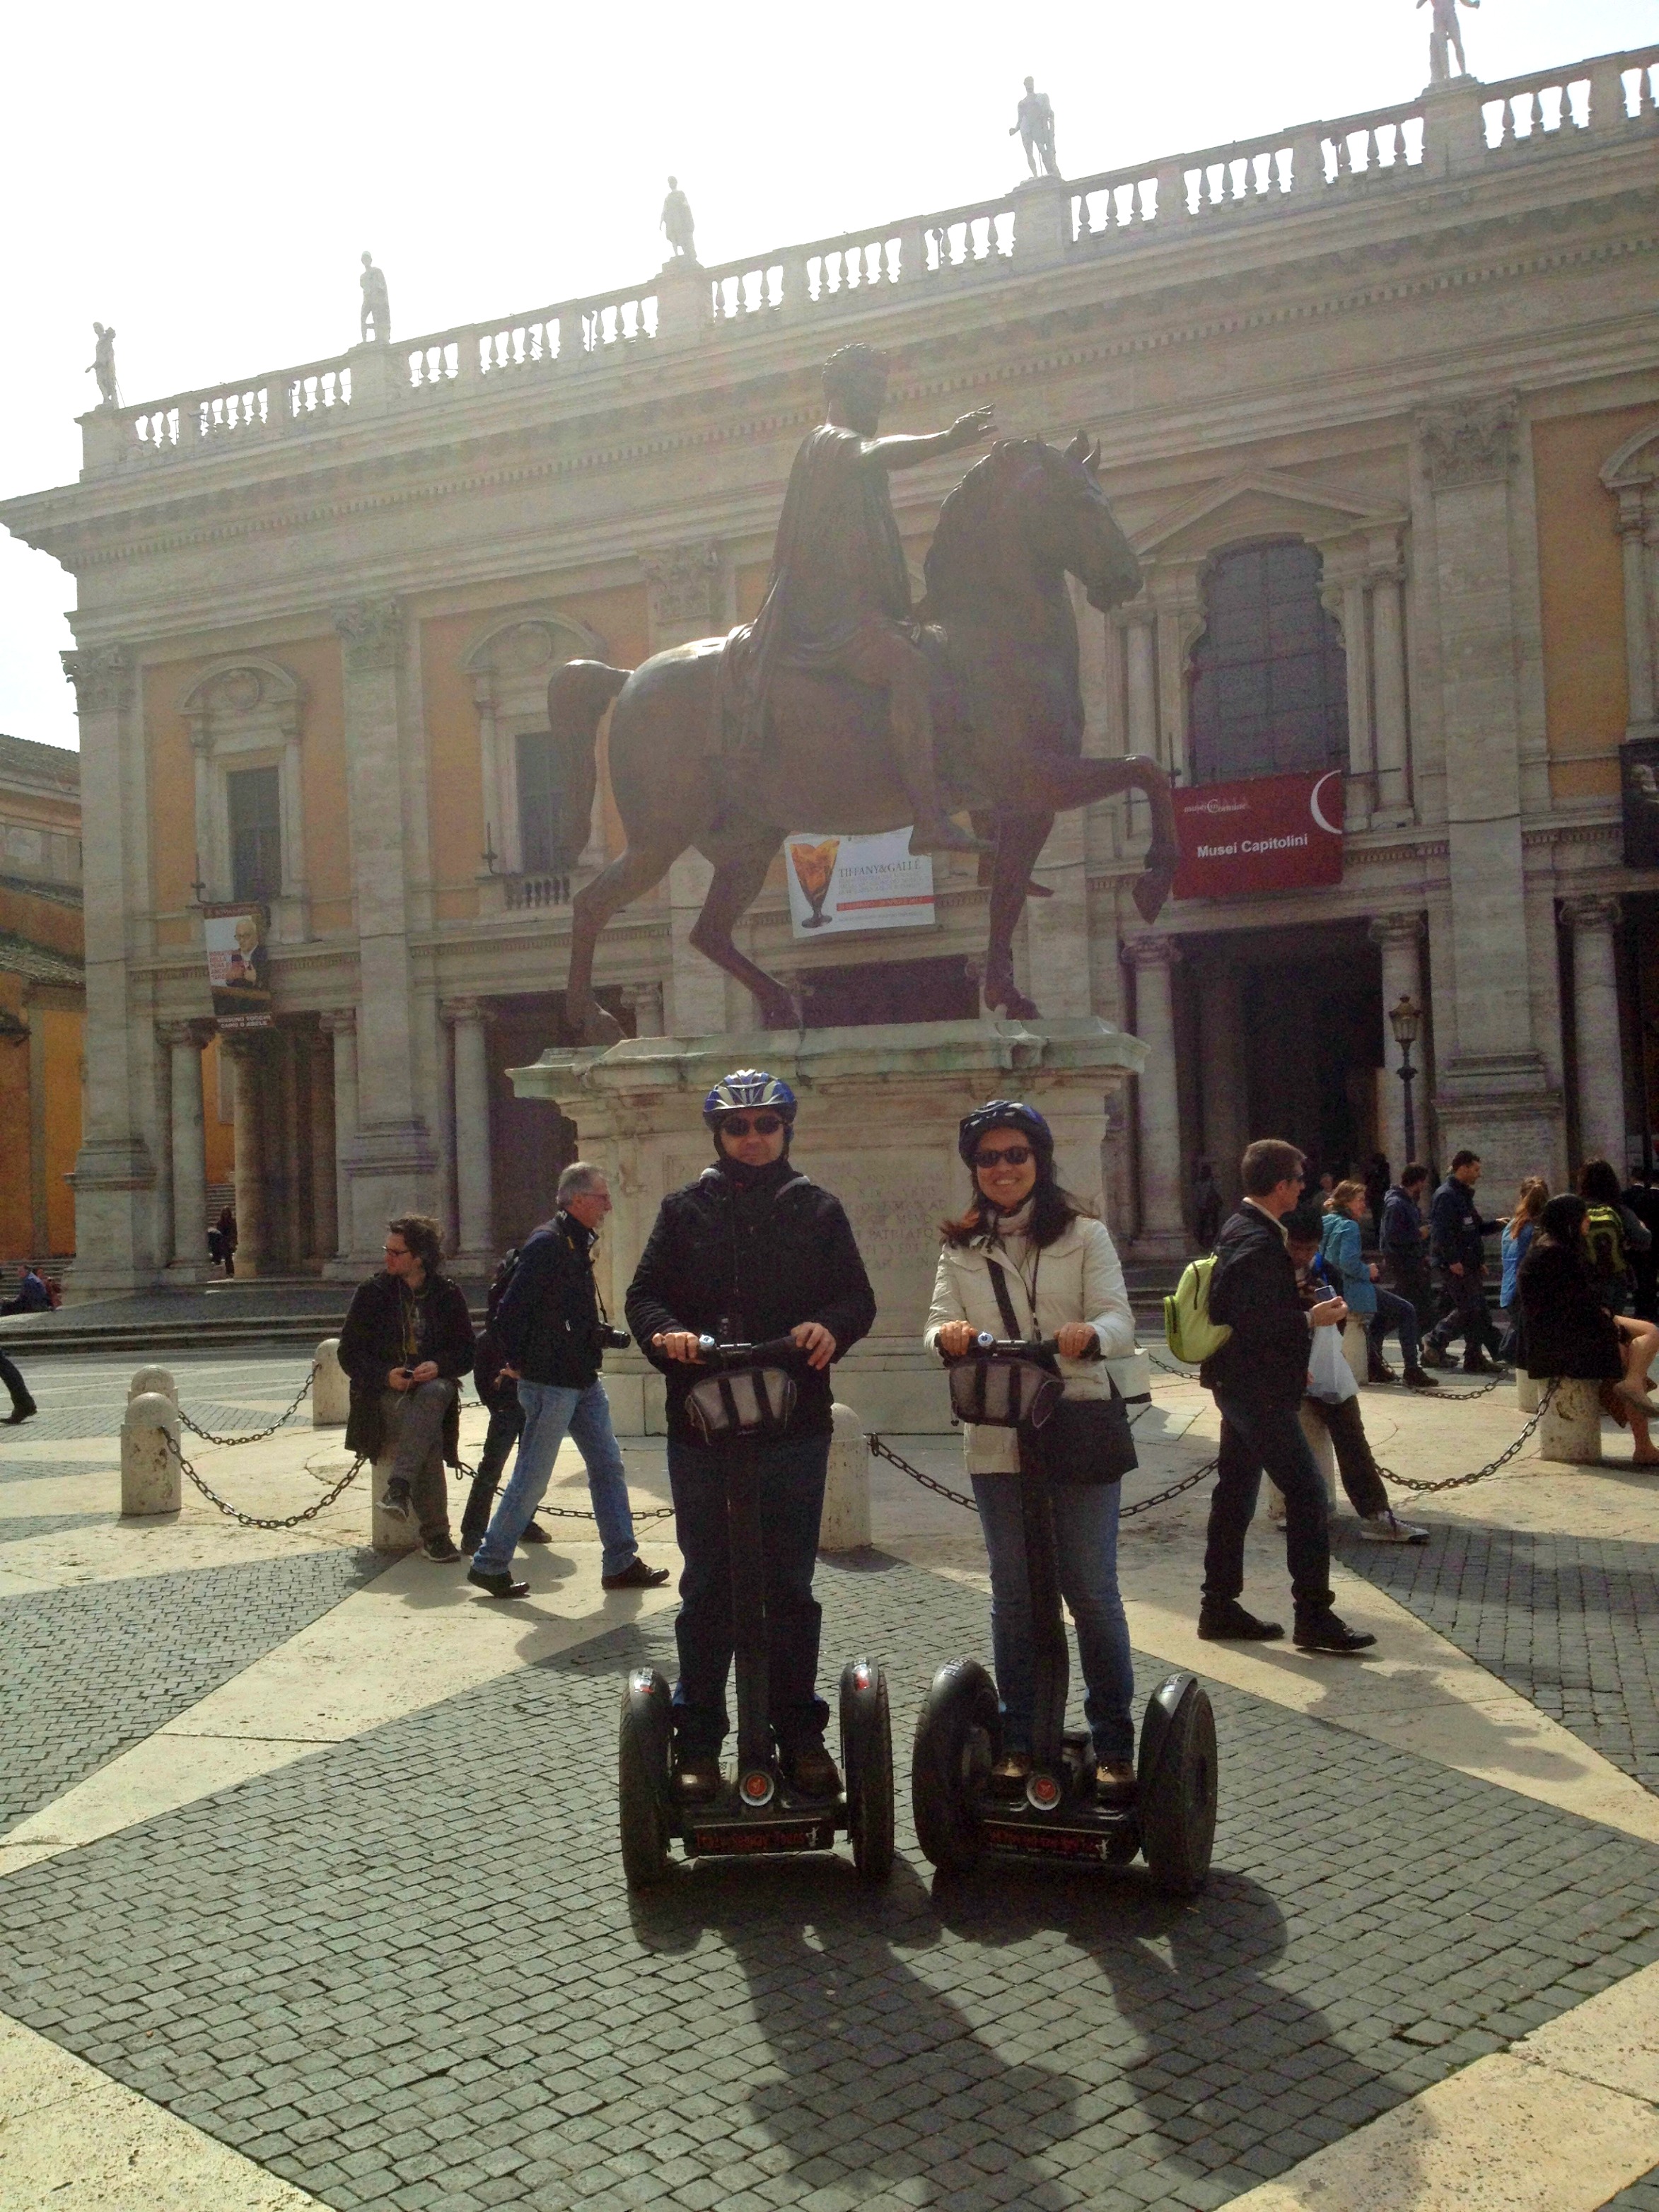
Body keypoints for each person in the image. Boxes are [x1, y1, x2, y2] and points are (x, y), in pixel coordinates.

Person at [626, 1069, 877, 1802]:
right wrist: (664, 1332)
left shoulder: (818, 1208)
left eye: (766, 1125)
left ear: (785, 1130)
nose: (753, 1138)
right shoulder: (684, 1210)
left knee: (788, 1587)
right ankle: (698, 1739)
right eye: (739, 1128)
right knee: (707, 1585)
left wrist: (830, 1325)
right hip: (703, 1422)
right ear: (719, 1137)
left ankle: (799, 1733)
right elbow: (644, 1293)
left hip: (792, 1423)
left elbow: (856, 1296)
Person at [926, 1100, 1141, 1803]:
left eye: (1016, 1154)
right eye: (989, 1158)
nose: (1004, 1167)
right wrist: (950, 1335)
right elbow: (933, 1327)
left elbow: (1118, 1315)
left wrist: (1091, 1335)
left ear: (1038, 1160)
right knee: (1015, 1594)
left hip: (1075, 1420)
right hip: (997, 1431)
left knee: (1090, 1588)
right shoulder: (960, 1245)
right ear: (976, 1169)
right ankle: (1019, 1736)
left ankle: (1112, 1740)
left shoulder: (1084, 1234)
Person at [733, 342, 996, 856]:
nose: (878, 402)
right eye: (870, 391)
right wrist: (948, 439)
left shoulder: (847, 459)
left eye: (881, 391)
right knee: (908, 669)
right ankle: (928, 818)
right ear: (841, 391)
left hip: (866, 613)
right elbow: (875, 452)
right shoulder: (829, 443)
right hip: (832, 622)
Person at [1197, 1138, 1376, 1653]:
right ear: (1281, 1186)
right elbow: (1251, 1322)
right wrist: (1309, 1317)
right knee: (1307, 1494)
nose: (1304, 1186)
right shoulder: (1258, 1242)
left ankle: (1219, 1606)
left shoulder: (1240, 1229)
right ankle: (1314, 1615)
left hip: (1237, 1385)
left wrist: (1292, 1302)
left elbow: (1241, 1304)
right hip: (1258, 1389)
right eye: (1299, 1179)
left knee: (1234, 1493)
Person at [467, 1164, 667, 1600]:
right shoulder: (548, 1244)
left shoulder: (575, 1242)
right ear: (577, 1200)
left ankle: (621, 1561)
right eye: (601, 1197)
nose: (609, 1205)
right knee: (533, 1477)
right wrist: (520, 1363)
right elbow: (510, 1313)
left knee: (608, 1467)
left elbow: (561, 1315)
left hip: (581, 1379)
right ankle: (489, 1562)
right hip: (550, 1383)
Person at [1283, 1209, 1426, 1543]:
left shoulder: (1322, 1270)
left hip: (1323, 1367)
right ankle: (1298, 1510)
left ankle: (1376, 1512)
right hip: (1282, 1371)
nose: (1303, 1256)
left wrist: (1332, 1314)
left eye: (1310, 1249)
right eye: (1296, 1248)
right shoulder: (1267, 1271)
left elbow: (1338, 1315)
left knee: (1351, 1431)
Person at [337, 1216, 475, 1561]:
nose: (388, 1257)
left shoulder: (447, 1293)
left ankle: (399, 1490)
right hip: (385, 1394)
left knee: (433, 1395)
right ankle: (436, 1536)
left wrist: (439, 1365)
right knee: (426, 1431)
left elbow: (467, 1351)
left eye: (396, 1252)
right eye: (388, 1250)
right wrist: (387, 1376)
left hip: (431, 1388)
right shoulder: (372, 1293)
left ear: (420, 1256)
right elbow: (348, 1354)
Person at [1518, 1195, 1659, 1465]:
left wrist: (1606, 1319)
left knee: (1650, 1332)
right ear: (1570, 1221)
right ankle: (1643, 1442)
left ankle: (1632, 1385)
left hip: (1572, 1331)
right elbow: (1573, 1308)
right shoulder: (1554, 1254)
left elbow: (1580, 1302)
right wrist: (1611, 1330)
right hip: (1562, 1344)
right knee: (1628, 1355)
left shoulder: (1551, 1248)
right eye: (1583, 1216)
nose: (1589, 1221)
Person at [457, 1244, 551, 1555]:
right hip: (507, 1407)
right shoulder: (500, 1317)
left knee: (531, 1469)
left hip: (529, 1404)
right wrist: (496, 1402)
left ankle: (523, 1521)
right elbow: (484, 1370)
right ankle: (473, 1530)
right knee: (492, 1468)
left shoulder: (535, 1303)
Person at [1320, 1180, 1434, 1387]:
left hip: (1332, 1289)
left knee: (1382, 1316)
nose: (1364, 1205)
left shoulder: (1326, 1222)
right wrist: (1368, 1270)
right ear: (1346, 1202)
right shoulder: (1349, 1226)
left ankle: (1374, 1364)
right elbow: (1347, 1262)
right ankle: (1412, 1369)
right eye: (1360, 1200)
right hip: (1352, 1289)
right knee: (1406, 1310)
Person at [1420, 1150, 1506, 1373]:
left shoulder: (1463, 1196)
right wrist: (1452, 1260)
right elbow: (1441, 1232)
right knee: (1470, 1308)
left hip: (1468, 1263)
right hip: (1455, 1265)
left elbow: (1473, 1229)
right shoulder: (1446, 1195)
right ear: (1463, 1168)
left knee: (1475, 1311)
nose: (1479, 1174)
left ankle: (1473, 1356)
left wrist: (1497, 1225)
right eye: (1476, 1169)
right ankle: (1435, 1341)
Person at [1578, 1158, 1651, 1317]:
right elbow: (1644, 1240)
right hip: (1615, 1281)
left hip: (1584, 1279)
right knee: (1613, 1326)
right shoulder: (1619, 1210)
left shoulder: (1576, 1211)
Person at [1498, 1177, 1548, 1366]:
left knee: (1520, 1326)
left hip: (1510, 1288)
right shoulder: (1539, 1228)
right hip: (1527, 1290)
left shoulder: (1512, 1225)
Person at [1380, 1163, 1434, 1329]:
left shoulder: (1407, 1202)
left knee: (1420, 1305)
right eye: (1423, 1182)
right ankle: (1378, 1332)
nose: (1424, 1186)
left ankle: (1427, 1346)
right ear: (1417, 1182)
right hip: (1404, 1261)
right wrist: (1419, 1234)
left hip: (1412, 1259)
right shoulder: (1397, 1204)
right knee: (1405, 1304)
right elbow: (1393, 1235)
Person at [1622, 1166, 1659, 1321]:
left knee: (1640, 1276)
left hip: (1637, 1245)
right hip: (1655, 1243)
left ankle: (1642, 1308)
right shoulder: (1648, 1196)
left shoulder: (1628, 1196)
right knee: (1650, 1277)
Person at [1009, 78, 1059, 179]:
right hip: (1026, 129)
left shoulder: (1041, 97)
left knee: (1042, 149)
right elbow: (1020, 120)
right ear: (1025, 85)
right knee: (1029, 153)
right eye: (1028, 84)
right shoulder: (1022, 103)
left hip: (1037, 127)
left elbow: (1048, 111)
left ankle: (1050, 171)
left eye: (1031, 83)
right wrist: (1015, 129)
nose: (1030, 86)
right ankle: (1035, 175)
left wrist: (1046, 117)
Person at [660, 176, 697, 262]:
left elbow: (686, 205)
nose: (671, 184)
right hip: (672, 221)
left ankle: (688, 254)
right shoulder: (668, 197)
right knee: (673, 236)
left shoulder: (680, 194)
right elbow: (664, 210)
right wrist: (661, 222)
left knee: (683, 237)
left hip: (681, 221)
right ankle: (677, 255)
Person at [1192, 1158, 1223, 1252]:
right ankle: (1204, 1242)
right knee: (1205, 1225)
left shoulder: (1206, 1183)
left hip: (1209, 1206)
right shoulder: (1202, 1183)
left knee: (1211, 1225)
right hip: (1206, 1206)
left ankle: (1210, 1242)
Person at [359, 251, 390, 342]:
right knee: (363, 318)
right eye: (364, 259)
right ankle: (364, 340)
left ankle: (378, 338)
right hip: (367, 299)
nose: (366, 261)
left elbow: (382, 286)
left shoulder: (377, 271)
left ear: (370, 260)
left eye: (367, 259)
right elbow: (364, 287)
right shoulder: (362, 276)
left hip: (376, 299)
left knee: (376, 318)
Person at [1363, 1152, 1392, 1248]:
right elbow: (1367, 1181)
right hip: (1375, 1195)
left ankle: (1381, 1239)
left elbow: (1386, 1182)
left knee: (1381, 1218)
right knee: (1377, 1218)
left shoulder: (1384, 1168)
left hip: (1380, 1195)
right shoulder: (1371, 1169)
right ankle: (1378, 1238)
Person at [214, 1204, 238, 1277]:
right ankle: (229, 1271)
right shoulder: (220, 1223)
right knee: (227, 1257)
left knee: (229, 1257)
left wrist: (233, 1241)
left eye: (227, 1213)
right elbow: (218, 1232)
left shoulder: (232, 1222)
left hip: (229, 1241)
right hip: (223, 1241)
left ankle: (231, 1271)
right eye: (224, 1213)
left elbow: (234, 1232)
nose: (225, 1215)